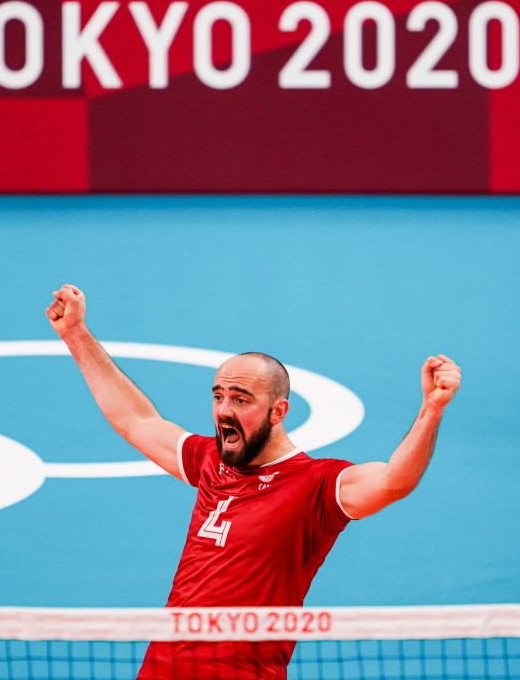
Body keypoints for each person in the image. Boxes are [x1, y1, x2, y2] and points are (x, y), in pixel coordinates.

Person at [46, 284, 461, 680]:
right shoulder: (211, 461)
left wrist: (432, 409)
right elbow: (136, 420)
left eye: (240, 399)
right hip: (160, 669)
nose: (224, 410)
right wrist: (76, 335)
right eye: (218, 396)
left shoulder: (316, 485)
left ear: (278, 412)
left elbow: (393, 481)